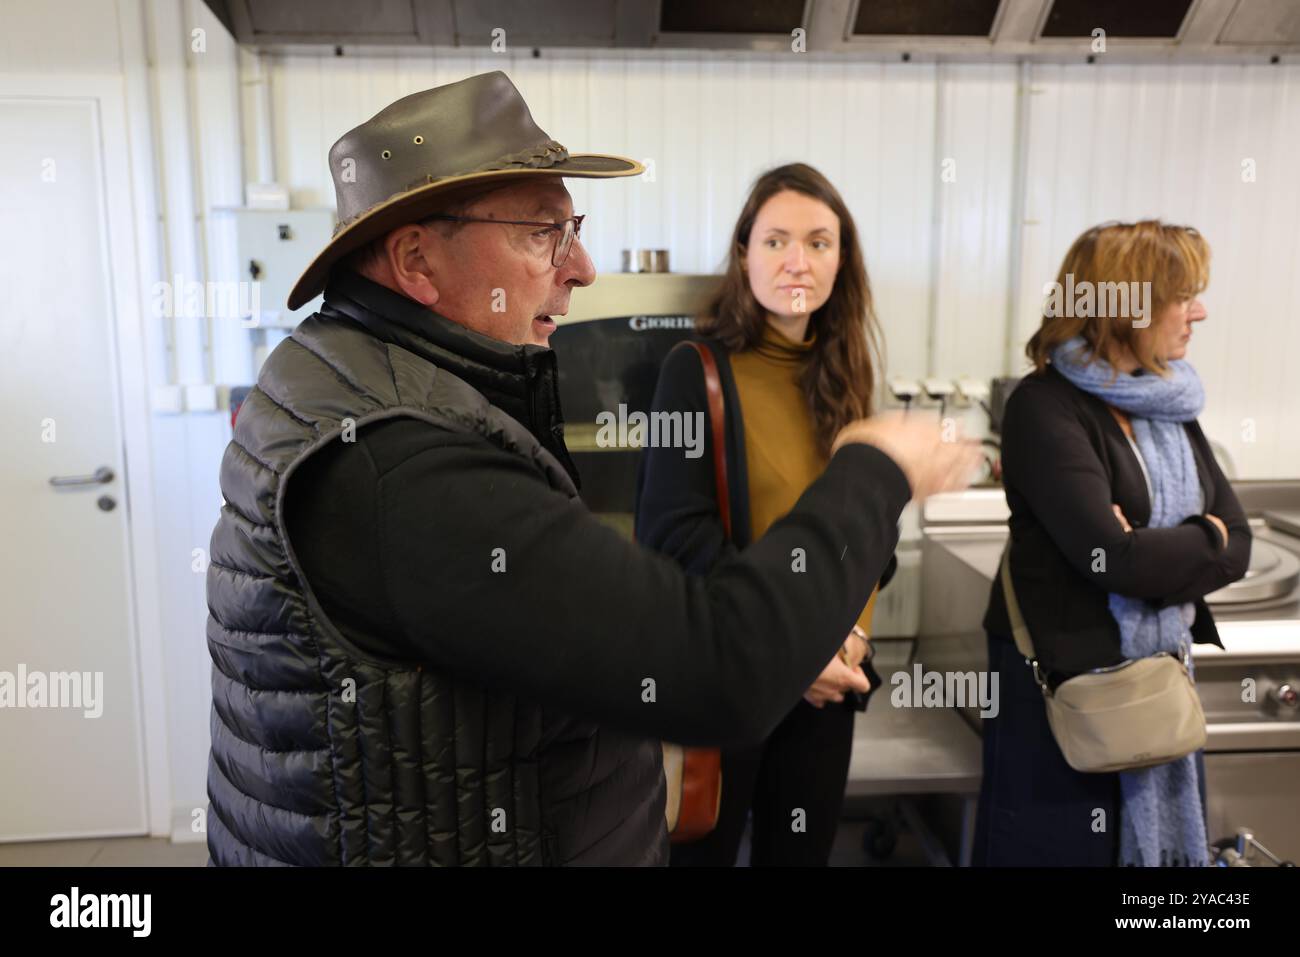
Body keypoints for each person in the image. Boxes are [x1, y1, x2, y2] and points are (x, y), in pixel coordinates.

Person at [203, 70, 976, 866]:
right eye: (543, 233)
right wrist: (876, 466)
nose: (583, 267)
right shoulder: (396, 458)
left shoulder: (367, 382)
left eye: (572, 226)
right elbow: (716, 668)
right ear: (416, 259)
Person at [973, 220, 1251, 867]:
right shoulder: (1043, 408)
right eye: (1182, 296)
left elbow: (1236, 540)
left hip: (1155, 689)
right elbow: (1112, 559)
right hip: (1069, 692)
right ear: (1126, 307)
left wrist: (1172, 544)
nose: (1199, 312)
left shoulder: (1168, 400)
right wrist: (1195, 538)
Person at [636, 163, 891, 866]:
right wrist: (791, 652)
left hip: (827, 689)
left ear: (843, 259)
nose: (796, 261)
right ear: (744, 251)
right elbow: (673, 535)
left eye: (818, 242)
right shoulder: (693, 370)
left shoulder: (848, 373)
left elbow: (872, 531)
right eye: (776, 240)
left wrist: (852, 639)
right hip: (730, 682)